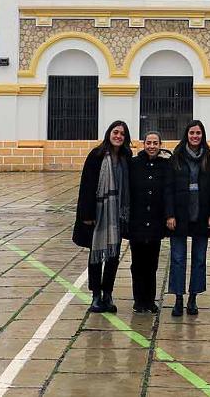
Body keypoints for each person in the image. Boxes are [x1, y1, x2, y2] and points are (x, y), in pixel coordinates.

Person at [73, 120, 132, 314]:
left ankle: (108, 293)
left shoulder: (126, 156)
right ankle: (96, 295)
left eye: (122, 134)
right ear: (109, 134)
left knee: (113, 256)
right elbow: (86, 186)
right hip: (98, 213)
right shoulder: (96, 155)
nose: (118, 136)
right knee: (96, 255)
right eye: (116, 132)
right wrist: (86, 214)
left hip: (117, 213)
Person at [164, 120, 210, 317]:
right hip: (180, 215)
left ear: (202, 136)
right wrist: (169, 214)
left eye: (198, 133)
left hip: (201, 215)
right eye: (192, 132)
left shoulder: (209, 159)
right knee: (177, 259)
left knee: (200, 259)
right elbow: (168, 189)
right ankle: (178, 298)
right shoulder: (176, 158)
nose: (195, 136)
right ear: (187, 135)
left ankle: (193, 297)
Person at [127, 131, 170, 313]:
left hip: (155, 222)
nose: (152, 146)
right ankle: (139, 300)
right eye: (149, 142)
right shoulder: (134, 164)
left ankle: (150, 300)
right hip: (137, 222)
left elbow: (168, 191)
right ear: (143, 144)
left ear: (160, 145)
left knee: (152, 264)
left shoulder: (165, 165)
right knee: (137, 264)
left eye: (155, 143)